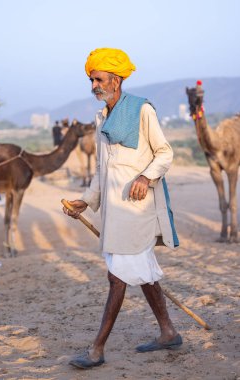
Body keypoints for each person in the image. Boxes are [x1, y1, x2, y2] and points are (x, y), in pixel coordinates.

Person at [63, 47, 182, 369]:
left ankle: (97, 349)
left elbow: (165, 153)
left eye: (99, 79)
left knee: (117, 278)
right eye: (91, 80)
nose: (94, 86)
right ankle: (168, 332)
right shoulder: (102, 118)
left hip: (137, 211)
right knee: (141, 273)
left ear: (116, 80)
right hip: (113, 213)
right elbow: (104, 171)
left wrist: (146, 176)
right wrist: (85, 202)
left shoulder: (142, 110)